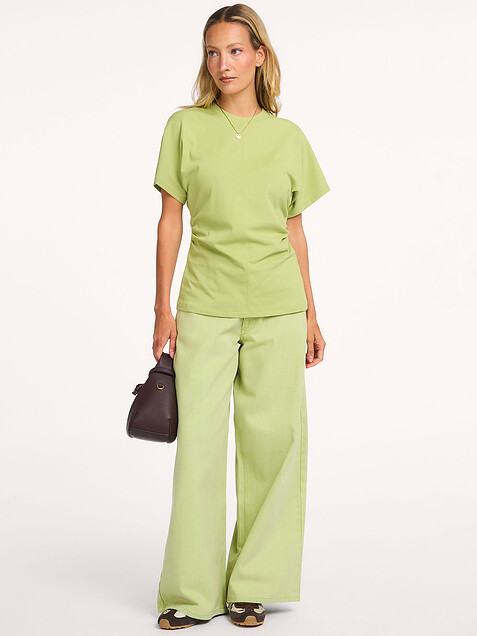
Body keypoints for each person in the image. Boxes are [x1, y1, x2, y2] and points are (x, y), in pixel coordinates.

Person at [152, 4, 330, 630]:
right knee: (198, 449)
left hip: (279, 307)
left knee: (272, 446)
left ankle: (252, 585)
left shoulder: (288, 137)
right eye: (212, 52)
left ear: (259, 55)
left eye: (234, 50)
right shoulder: (185, 127)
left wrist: (311, 314)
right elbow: (169, 220)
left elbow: (294, 231)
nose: (223, 64)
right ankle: (190, 593)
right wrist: (162, 306)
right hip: (205, 304)